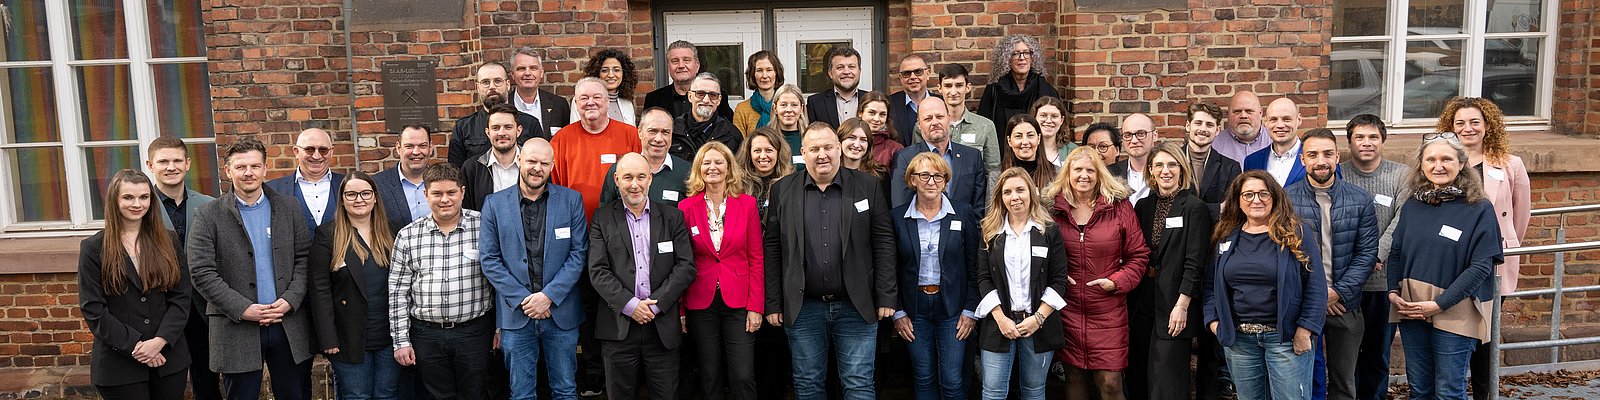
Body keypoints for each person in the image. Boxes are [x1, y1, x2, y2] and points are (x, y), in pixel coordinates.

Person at [763, 122, 898, 400]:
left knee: (859, 384)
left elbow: (884, 242)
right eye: (814, 149)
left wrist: (886, 295)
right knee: (807, 384)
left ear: (838, 148)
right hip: (804, 307)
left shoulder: (868, 186)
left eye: (827, 147)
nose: (822, 154)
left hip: (856, 305)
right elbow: (773, 249)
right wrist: (773, 302)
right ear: (803, 153)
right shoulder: (782, 190)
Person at [188, 138, 315, 400]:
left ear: (265, 168)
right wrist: (243, 308)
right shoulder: (208, 214)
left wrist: (290, 300)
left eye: (255, 166)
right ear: (228, 171)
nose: (249, 173)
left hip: (286, 322)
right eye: (241, 167)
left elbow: (304, 258)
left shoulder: (289, 207)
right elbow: (201, 272)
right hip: (236, 326)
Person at [1387, 133, 1503, 400]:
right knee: (1420, 390)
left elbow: (1480, 266)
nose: (1438, 166)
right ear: (1422, 165)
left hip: (1457, 310)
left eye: (1446, 159)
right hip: (1413, 309)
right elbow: (1396, 252)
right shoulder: (1413, 205)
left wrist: (1440, 303)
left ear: (1461, 164)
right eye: (1431, 159)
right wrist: (1393, 291)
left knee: (1449, 391)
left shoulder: (1479, 208)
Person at [479, 138, 590, 400]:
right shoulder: (494, 204)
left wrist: (548, 296)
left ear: (552, 165)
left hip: (561, 313)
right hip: (517, 316)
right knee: (521, 393)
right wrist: (524, 300)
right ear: (519, 160)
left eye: (544, 163)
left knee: (565, 390)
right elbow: (489, 259)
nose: (537, 168)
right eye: (531, 161)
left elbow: (578, 254)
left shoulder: (571, 200)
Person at [1436, 97, 1529, 400]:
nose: (1468, 128)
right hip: (1453, 259)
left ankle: (1484, 394)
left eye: (1475, 122)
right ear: (1451, 127)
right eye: (1460, 123)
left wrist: (1503, 245)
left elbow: (1520, 215)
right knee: (1454, 330)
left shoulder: (1511, 164)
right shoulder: (1441, 162)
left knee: (1485, 337)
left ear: (1487, 125)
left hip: (1493, 262)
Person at [1204, 170, 1327, 400]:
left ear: (1275, 197)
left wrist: (1306, 330)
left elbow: (1316, 285)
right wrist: (1214, 322)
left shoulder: (1297, 233)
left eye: (1263, 193)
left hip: (1285, 338)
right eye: (1248, 194)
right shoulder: (1226, 235)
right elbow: (1211, 285)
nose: (1256, 200)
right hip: (1240, 341)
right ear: (1238, 200)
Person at [587, 153, 698, 399]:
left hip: (661, 327)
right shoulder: (602, 218)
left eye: (640, 177)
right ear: (617, 180)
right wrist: (631, 305)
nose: (634, 184)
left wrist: (655, 306)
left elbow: (685, 266)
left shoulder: (673, 217)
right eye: (628, 177)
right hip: (618, 327)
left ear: (650, 179)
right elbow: (597, 270)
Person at [1047, 146, 1150, 400]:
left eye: (1090, 170)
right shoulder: (1053, 209)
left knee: (1110, 383)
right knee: (1074, 379)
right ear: (1067, 173)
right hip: (1068, 308)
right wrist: (1056, 276)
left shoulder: (1118, 207)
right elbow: (1040, 254)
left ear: (1099, 174)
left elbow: (1139, 255)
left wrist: (1116, 282)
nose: (1084, 175)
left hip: (1108, 309)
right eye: (1078, 169)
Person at [80, 169, 192, 400]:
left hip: (168, 359)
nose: (137, 204)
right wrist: (138, 346)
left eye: (144, 197)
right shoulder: (93, 248)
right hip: (118, 365)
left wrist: (159, 341)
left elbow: (181, 297)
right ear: (115, 200)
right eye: (128, 197)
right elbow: (93, 309)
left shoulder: (169, 241)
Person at [1284, 128, 1379, 400]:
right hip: (1302, 306)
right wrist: (1317, 297)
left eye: (1327, 154)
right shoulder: (1286, 200)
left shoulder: (1359, 199)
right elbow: (1284, 255)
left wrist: (1337, 292)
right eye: (1312, 154)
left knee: (1344, 381)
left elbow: (1366, 253)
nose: (1321, 161)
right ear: (1302, 159)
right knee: (1300, 378)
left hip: (1344, 304)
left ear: (1337, 157)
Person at [388, 163, 494, 400]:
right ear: (426, 194)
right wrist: (401, 341)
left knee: (475, 394)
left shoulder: (484, 226)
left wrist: (500, 328)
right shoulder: (408, 235)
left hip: (473, 332)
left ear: (462, 192)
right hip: (427, 335)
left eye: (451, 192)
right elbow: (397, 293)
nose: (445, 199)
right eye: (437, 193)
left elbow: (499, 278)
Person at [974, 167, 1069, 400]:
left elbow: (1059, 280)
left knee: (1034, 392)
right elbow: (983, 278)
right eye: (1007, 192)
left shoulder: (1049, 231)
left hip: (1039, 323)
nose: (1014, 197)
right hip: (999, 323)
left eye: (1020, 190)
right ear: (1000, 197)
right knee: (993, 392)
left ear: (1031, 192)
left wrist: (1038, 318)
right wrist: (1000, 318)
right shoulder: (990, 231)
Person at [890, 153, 980, 400]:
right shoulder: (897, 217)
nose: (931, 181)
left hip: (953, 308)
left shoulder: (962, 213)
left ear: (945, 181)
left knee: (952, 380)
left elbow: (975, 265)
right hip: (914, 308)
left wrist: (970, 310)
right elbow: (890, 268)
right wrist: (898, 312)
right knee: (923, 377)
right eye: (924, 175)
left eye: (938, 176)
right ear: (912, 180)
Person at [1128, 144, 1214, 400]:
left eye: (1172, 165)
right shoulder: (1143, 206)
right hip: (1142, 301)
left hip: (1175, 302)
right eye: (1159, 165)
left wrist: (1182, 305)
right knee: (1139, 376)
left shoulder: (1194, 207)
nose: (1165, 171)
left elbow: (1195, 262)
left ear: (1181, 169)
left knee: (1167, 381)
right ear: (1151, 171)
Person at [679, 142, 765, 400]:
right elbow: (681, 262)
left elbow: (756, 258)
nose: (712, 167)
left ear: (729, 168)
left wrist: (756, 307)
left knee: (742, 374)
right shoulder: (686, 208)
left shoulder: (747, 204)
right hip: (700, 302)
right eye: (706, 163)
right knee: (709, 374)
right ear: (698, 168)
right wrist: (681, 310)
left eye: (719, 162)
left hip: (739, 302)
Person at [307, 172, 401, 400]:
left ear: (375, 197)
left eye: (365, 193)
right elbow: (319, 290)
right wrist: (328, 338)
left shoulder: (393, 231)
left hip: (390, 335)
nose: (359, 199)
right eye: (351, 194)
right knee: (356, 396)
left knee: (387, 395)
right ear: (342, 200)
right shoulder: (328, 235)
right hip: (348, 336)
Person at [143, 136, 218, 400]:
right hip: (159, 307)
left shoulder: (209, 205)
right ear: (150, 165)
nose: (171, 167)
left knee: (207, 378)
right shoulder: (140, 205)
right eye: (163, 161)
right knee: (163, 379)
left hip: (202, 306)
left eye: (177, 160)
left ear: (187, 164)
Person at [1339, 114, 1409, 400]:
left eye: (1373, 137)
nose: (1366, 143)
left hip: (1383, 283)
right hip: (1346, 282)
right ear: (1350, 142)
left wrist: (1375, 254)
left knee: (1378, 353)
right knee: (1346, 354)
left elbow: (1402, 219)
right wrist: (1359, 262)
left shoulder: (1401, 174)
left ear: (1383, 140)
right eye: (1359, 137)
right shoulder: (1338, 173)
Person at [553, 77, 644, 218]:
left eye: (597, 97)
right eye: (584, 98)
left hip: (621, 222)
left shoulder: (631, 135)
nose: (590, 102)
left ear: (607, 102)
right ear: (576, 104)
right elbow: (555, 187)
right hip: (575, 221)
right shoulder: (561, 139)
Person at [889, 96, 988, 210]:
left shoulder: (972, 157)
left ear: (949, 119)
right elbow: (901, 207)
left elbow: (978, 207)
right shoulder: (905, 158)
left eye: (940, 117)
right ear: (919, 125)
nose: (935, 122)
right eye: (928, 119)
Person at [449, 61, 545, 167]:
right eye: (485, 82)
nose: (492, 87)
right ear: (478, 87)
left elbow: (542, 164)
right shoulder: (463, 128)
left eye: (497, 81)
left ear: (507, 84)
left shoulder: (530, 124)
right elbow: (455, 172)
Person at [978, 34, 1060, 152]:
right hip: (1003, 156)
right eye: (1015, 54)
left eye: (1026, 53)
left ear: (1033, 57)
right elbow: (983, 128)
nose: (1022, 58)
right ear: (1007, 59)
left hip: (1039, 156)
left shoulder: (1047, 91)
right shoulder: (994, 91)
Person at [602, 107, 692, 209]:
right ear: (640, 132)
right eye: (652, 131)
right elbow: (605, 214)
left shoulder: (687, 172)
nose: (659, 139)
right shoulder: (620, 169)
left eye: (665, 132)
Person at [265, 128, 347, 233]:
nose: (316, 156)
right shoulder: (273, 189)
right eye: (309, 150)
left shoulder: (346, 184)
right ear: (296, 151)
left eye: (323, 150)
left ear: (331, 152)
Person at [933, 63, 1001, 178]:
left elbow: (993, 171)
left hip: (974, 188)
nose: (953, 92)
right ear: (940, 88)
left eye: (959, 85)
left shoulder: (985, 126)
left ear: (968, 87)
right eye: (948, 86)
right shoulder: (928, 126)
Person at [644, 41, 734, 120]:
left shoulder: (715, 96)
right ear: (668, 68)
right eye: (675, 61)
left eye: (686, 60)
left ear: (697, 66)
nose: (681, 65)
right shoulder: (654, 99)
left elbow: (726, 130)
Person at [462, 104, 526, 212]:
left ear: (518, 131)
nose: (502, 133)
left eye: (508, 127)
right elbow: (467, 211)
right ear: (488, 132)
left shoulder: (534, 165)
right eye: (495, 128)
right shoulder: (472, 168)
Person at [1183, 103, 1242, 217]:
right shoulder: (1171, 162)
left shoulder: (1230, 168)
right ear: (1188, 126)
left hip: (1215, 228)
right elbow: (1167, 204)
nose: (1203, 129)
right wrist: (1217, 209)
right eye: (1198, 123)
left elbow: (1231, 209)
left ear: (1217, 130)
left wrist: (1186, 210)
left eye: (1209, 125)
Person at [669, 73, 744, 161]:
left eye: (713, 95)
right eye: (700, 94)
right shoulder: (673, 131)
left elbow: (738, 168)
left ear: (719, 100)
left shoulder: (731, 135)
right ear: (690, 96)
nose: (706, 100)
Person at [375, 124, 434, 229]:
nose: (416, 152)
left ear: (430, 147)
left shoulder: (443, 182)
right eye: (409, 146)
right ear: (398, 148)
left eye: (422, 146)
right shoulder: (378, 184)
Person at [1243, 98, 1307, 187]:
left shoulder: (1312, 157)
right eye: (1273, 119)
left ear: (1299, 120)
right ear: (1266, 122)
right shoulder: (1252, 161)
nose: (1280, 125)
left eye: (1286, 119)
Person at [511, 46, 571, 134]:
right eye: (521, 69)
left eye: (533, 68)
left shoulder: (559, 105)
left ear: (541, 72)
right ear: (512, 74)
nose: (527, 73)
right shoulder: (503, 104)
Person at [805, 46, 866, 128]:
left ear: (859, 71)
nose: (846, 72)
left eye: (851, 67)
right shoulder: (815, 103)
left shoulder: (871, 100)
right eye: (840, 67)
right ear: (830, 73)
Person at [740, 126, 794, 219]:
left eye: (769, 150)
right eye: (757, 151)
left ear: (778, 153)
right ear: (749, 154)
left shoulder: (790, 183)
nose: (763, 156)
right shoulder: (739, 184)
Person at [576, 49, 640, 125]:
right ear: (597, 73)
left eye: (616, 70)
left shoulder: (627, 104)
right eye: (604, 70)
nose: (611, 75)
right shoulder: (583, 101)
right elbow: (576, 131)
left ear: (624, 73)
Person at [1107, 113, 1159, 205]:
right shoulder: (1109, 174)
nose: (1134, 140)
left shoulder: (1168, 173)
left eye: (1141, 134)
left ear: (1155, 135)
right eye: (1128, 135)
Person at [888, 54, 940, 146]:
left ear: (928, 74)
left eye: (918, 72)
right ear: (901, 77)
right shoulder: (889, 104)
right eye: (907, 73)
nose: (912, 77)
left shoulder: (942, 103)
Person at [1000, 114, 1057, 190]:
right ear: (1009, 141)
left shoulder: (1056, 173)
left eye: (1030, 135)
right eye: (1018, 136)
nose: (1025, 142)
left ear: (1039, 138)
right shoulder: (997, 175)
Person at [733, 51, 784, 135]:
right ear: (752, 74)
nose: (764, 76)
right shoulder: (742, 109)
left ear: (776, 73)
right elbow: (739, 142)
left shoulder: (786, 106)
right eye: (759, 70)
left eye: (769, 70)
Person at [1211, 91, 1270, 163]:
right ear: (1228, 114)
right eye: (1237, 111)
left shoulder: (1274, 141)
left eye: (1249, 111)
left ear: (1260, 113)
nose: (1243, 116)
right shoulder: (1214, 144)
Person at [857, 91, 906, 167]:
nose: (877, 119)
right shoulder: (849, 142)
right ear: (860, 113)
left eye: (882, 114)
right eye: (872, 113)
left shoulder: (895, 148)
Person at [767, 84, 810, 158]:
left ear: (801, 109)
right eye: (783, 105)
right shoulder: (766, 138)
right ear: (775, 108)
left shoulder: (811, 137)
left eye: (794, 105)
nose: (789, 110)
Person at [1032, 97, 1076, 167]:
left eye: (1054, 116)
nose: (1049, 121)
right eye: (1043, 115)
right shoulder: (1027, 147)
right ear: (1035, 118)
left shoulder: (1072, 151)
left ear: (1061, 120)